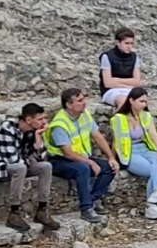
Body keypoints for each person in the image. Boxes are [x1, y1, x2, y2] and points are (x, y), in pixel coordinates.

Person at [0, 102, 61, 232]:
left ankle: (42, 210)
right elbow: (12, 160)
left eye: (44, 119)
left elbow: (42, 157)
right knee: (20, 168)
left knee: (46, 167)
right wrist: (29, 159)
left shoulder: (32, 132)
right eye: (40, 119)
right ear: (29, 120)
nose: (44, 122)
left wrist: (38, 138)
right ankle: (14, 213)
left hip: (21, 164)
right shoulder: (7, 129)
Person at [47, 87, 119, 224]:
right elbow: (67, 153)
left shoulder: (84, 115)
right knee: (83, 169)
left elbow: (97, 136)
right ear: (69, 105)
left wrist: (111, 157)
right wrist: (90, 162)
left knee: (109, 167)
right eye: (80, 100)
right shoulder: (60, 124)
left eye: (84, 99)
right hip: (60, 160)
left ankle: (92, 200)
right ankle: (86, 209)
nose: (84, 102)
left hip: (81, 157)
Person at [110, 87, 157, 219]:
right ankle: (152, 205)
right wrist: (112, 159)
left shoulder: (145, 116)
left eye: (145, 102)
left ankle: (156, 194)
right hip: (130, 152)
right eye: (141, 101)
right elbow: (116, 141)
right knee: (153, 171)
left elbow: (154, 135)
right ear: (131, 100)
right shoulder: (119, 118)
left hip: (145, 148)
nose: (144, 105)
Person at [98, 28, 145, 107]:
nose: (129, 46)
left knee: (141, 101)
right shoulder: (107, 56)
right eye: (126, 43)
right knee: (124, 101)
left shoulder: (134, 57)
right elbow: (108, 83)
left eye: (131, 43)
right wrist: (128, 85)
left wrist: (116, 80)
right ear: (118, 42)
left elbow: (137, 81)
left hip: (129, 89)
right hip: (110, 91)